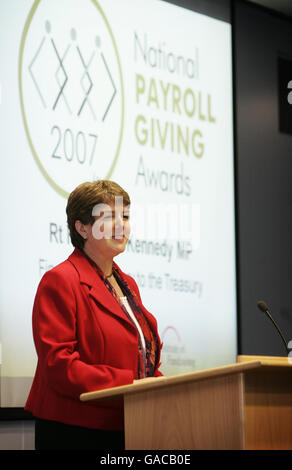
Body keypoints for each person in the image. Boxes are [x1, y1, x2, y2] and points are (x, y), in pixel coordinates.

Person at [25, 180, 163, 450]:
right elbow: (59, 365)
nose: (121, 225)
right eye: (110, 217)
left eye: (125, 216)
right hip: (74, 431)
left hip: (129, 423)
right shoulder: (61, 280)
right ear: (82, 227)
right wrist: (132, 383)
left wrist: (161, 385)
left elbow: (139, 353)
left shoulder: (128, 284)